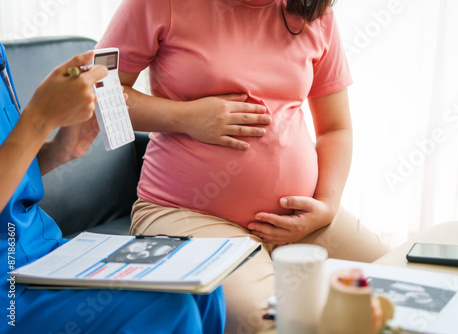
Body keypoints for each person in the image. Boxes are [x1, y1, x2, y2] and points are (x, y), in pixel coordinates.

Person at [98, 0, 392, 332]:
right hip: (186, 214)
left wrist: (326, 205)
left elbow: (335, 128)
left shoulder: (312, 10)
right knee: (267, 322)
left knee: (401, 291)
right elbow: (97, 93)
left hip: (300, 221)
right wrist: (187, 118)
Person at [0, 44, 225, 333]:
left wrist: (62, 149)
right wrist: (40, 119)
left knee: (201, 284)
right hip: (9, 287)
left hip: (41, 249)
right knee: (166, 308)